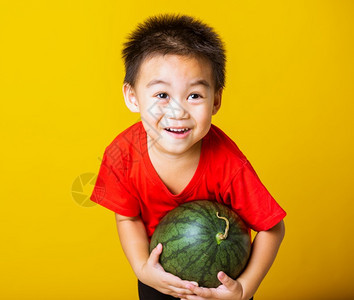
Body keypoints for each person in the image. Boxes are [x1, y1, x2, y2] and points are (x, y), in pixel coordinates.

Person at [90, 13, 286, 300]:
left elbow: (272, 228)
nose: (178, 111)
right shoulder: (122, 155)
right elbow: (128, 219)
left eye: (194, 95)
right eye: (161, 95)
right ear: (132, 97)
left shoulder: (228, 164)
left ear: (215, 101)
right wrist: (143, 268)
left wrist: (244, 289)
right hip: (159, 276)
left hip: (221, 287)